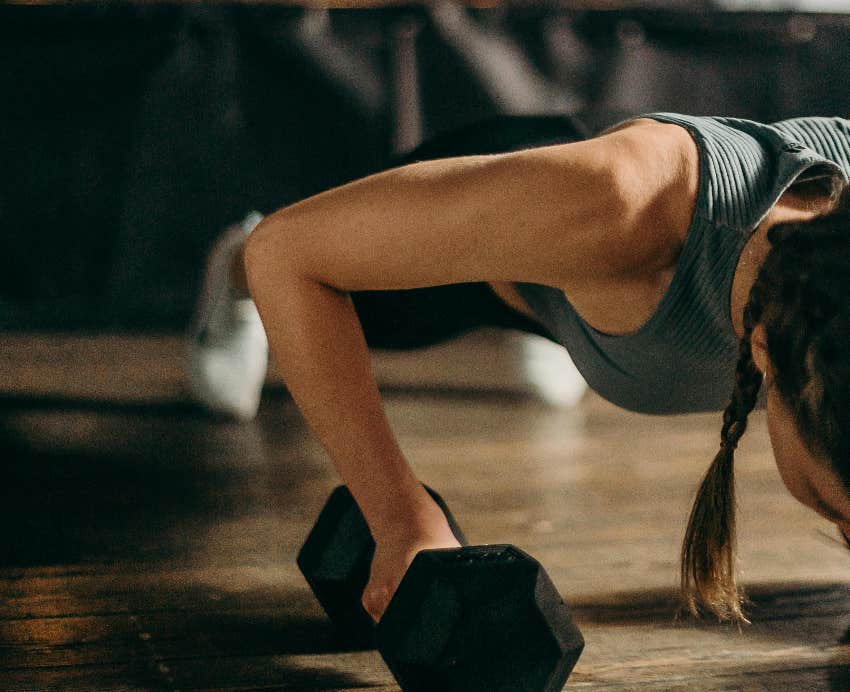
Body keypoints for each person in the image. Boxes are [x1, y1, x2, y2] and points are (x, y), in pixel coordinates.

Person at [186, 110, 850, 626]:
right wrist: (399, 517)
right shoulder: (625, 211)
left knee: (583, 266)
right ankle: (229, 259)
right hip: (535, 204)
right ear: (767, 352)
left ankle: (566, 317)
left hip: (589, 250)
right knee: (300, 264)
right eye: (840, 514)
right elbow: (290, 254)